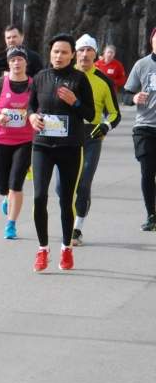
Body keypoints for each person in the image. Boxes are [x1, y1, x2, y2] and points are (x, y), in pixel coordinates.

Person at [27, 34, 95, 272]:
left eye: (64, 52)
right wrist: (32, 116)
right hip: (42, 146)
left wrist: (75, 102)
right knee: (38, 198)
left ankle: (66, 248)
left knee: (66, 201)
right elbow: (31, 105)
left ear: (72, 55)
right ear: (50, 53)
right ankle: (43, 249)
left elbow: (90, 114)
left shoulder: (79, 79)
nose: (59, 56)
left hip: (69, 148)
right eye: (56, 51)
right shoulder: (40, 77)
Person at [56, 34, 120, 246]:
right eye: (81, 50)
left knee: (83, 184)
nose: (84, 55)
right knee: (61, 187)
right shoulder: (65, 76)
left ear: (95, 55)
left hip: (91, 136)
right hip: (65, 135)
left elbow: (114, 113)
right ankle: (69, 219)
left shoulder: (103, 80)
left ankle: (77, 229)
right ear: (75, 53)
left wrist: (105, 125)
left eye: (88, 51)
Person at [0, 46, 34, 240]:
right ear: (9, 63)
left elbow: (40, 106)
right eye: (13, 60)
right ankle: (6, 197)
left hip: (25, 141)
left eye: (20, 59)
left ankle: (11, 224)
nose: (16, 63)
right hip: (0, 139)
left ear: (25, 62)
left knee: (16, 184)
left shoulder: (33, 85)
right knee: (2, 186)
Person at [121, 27, 156, 232]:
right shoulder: (142, 65)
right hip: (145, 127)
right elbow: (126, 94)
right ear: (152, 41)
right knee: (147, 170)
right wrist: (133, 98)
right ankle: (151, 214)